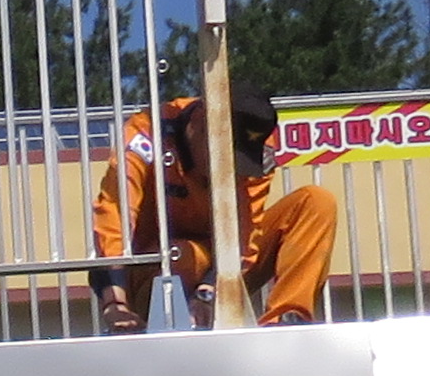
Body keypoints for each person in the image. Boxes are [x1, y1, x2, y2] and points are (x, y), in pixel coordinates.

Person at [88, 83, 332, 332]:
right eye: (224, 155)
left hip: (225, 269)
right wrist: (115, 304)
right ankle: (171, 325)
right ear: (199, 123)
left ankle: (286, 322)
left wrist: (208, 290)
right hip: (154, 271)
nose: (231, 168)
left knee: (316, 202)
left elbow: (246, 236)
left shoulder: (255, 147)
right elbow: (114, 218)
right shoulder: (146, 132)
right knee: (182, 254)